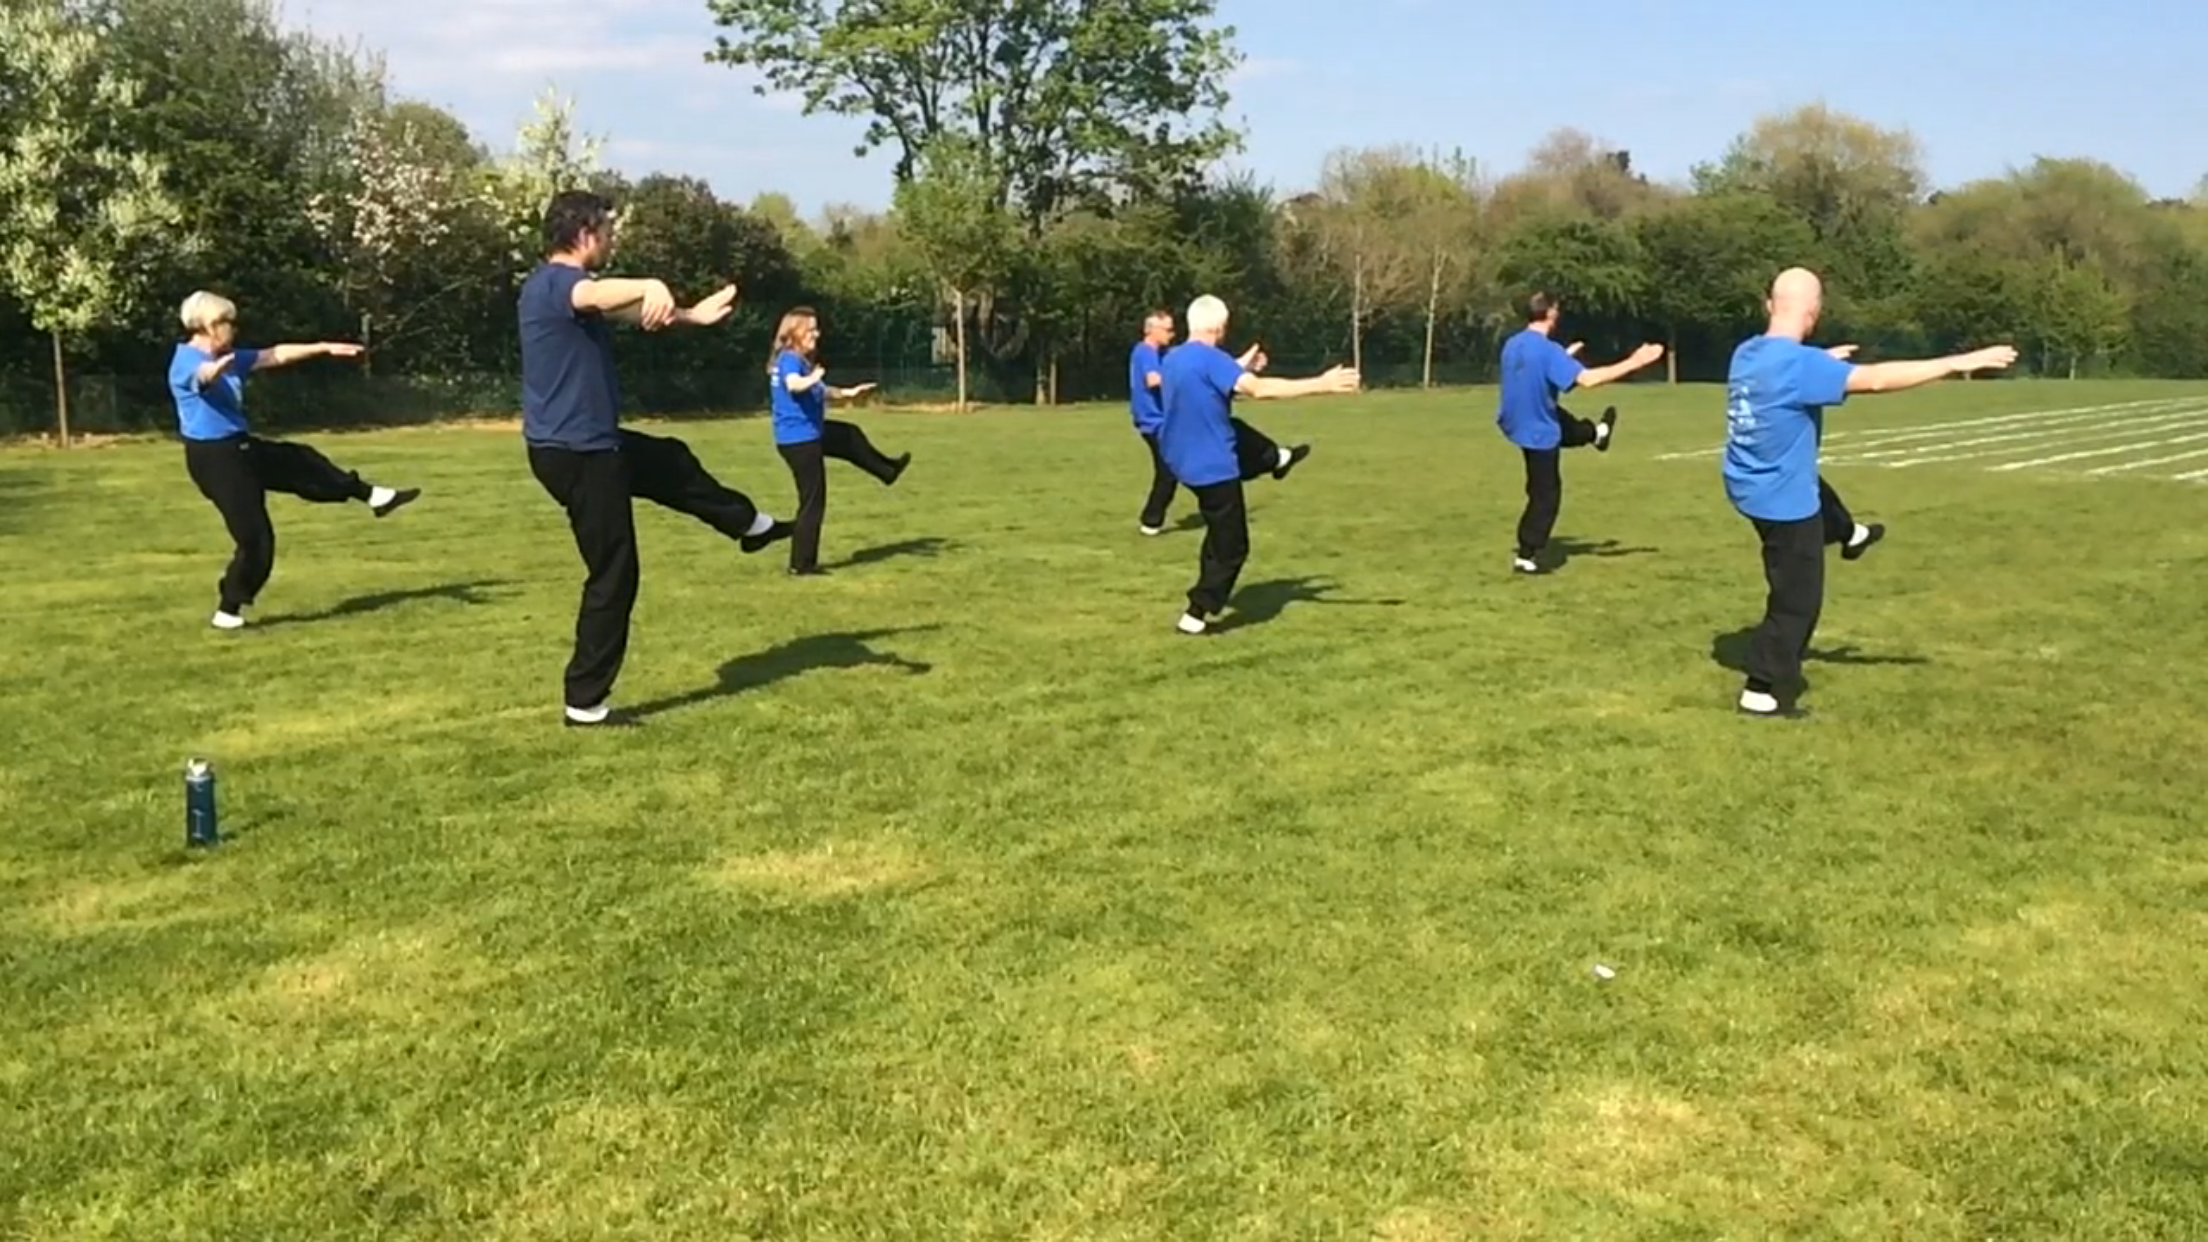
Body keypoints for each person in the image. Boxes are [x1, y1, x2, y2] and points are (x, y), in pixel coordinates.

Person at [520, 189, 792, 728]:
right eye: (608, 230)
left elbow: (624, 310)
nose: (612, 239)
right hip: (578, 454)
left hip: (588, 444)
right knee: (614, 573)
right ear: (585, 234)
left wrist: (690, 315)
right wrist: (649, 283)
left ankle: (748, 525)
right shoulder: (557, 284)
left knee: (670, 460)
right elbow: (595, 294)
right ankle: (584, 703)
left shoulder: (564, 293)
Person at [1724, 267, 2016, 718]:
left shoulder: (1747, 352)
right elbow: (1877, 379)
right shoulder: (1802, 366)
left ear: (1768, 306)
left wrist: (1825, 360)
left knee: (1816, 490)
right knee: (1797, 601)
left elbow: (1783, 367)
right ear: (1814, 312)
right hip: (1781, 501)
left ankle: (1850, 533)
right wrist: (1954, 363)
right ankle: (1760, 690)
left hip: (1745, 480)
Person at [167, 290, 420, 631]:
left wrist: (323, 347)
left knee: (301, 461)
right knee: (255, 539)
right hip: (215, 460)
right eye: (230, 323)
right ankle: (228, 610)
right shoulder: (186, 361)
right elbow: (200, 377)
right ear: (211, 325)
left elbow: (276, 354)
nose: (235, 330)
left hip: (240, 447)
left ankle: (374, 496)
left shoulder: (230, 356)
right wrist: (215, 370)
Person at [1158, 294, 1356, 635]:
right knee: (1231, 546)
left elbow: (1206, 375)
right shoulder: (1213, 360)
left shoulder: (1175, 358)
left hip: (1179, 457)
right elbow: (1259, 390)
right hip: (1212, 468)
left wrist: (1241, 365)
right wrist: (1321, 384)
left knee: (1236, 431)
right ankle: (1196, 613)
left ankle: (1277, 458)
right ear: (1220, 327)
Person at [1495, 292, 1664, 573]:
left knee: (1566, 425)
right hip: (1537, 429)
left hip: (1515, 418)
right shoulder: (1548, 351)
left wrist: (1565, 357)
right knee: (1545, 494)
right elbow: (1588, 380)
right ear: (1551, 313)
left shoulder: (1513, 343)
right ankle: (1526, 554)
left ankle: (1597, 434)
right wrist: (1635, 361)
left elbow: (1533, 368)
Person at [766, 306, 911, 575]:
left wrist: (848, 393)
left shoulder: (799, 360)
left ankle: (887, 470)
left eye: (816, 329)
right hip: (800, 441)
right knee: (813, 501)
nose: (816, 334)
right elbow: (794, 385)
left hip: (810, 433)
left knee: (848, 435)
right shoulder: (790, 359)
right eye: (810, 329)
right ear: (794, 332)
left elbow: (820, 391)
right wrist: (813, 377)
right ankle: (801, 565)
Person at [1130, 309, 1265, 536]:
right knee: (1169, 470)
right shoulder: (1146, 352)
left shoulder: (1164, 354)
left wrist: (1244, 366)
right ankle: (1151, 521)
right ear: (1151, 330)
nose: (1172, 334)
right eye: (1168, 330)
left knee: (1173, 467)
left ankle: (1152, 519)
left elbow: (1200, 367)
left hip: (1164, 420)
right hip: (1154, 422)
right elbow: (1153, 380)